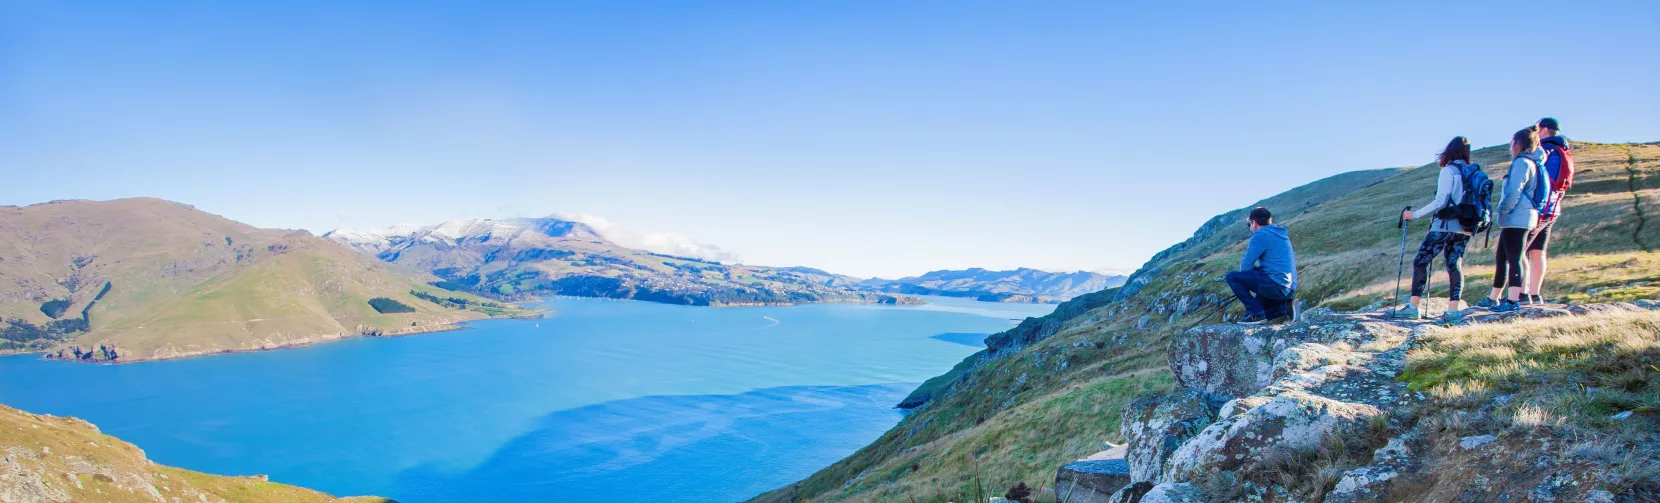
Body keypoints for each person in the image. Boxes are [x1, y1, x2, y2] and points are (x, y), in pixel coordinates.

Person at [1394, 137, 1476, 322]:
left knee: (1421, 261)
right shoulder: (1472, 173)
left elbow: (1441, 201)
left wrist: (1414, 215)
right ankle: (1453, 311)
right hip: (1464, 227)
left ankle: (1413, 307)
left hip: (1444, 226)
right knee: (1455, 265)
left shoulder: (1449, 171)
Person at [1475, 126, 1549, 313]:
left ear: (1520, 144)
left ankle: (1513, 299)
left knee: (1514, 257)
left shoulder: (1522, 163)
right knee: (1502, 257)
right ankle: (1494, 297)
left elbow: (1513, 191)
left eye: (1512, 143)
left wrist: (1503, 209)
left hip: (1517, 217)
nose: (1510, 147)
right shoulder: (1530, 163)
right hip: (1521, 217)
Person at [1525, 117, 1573, 304]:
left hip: (1538, 207)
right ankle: (1535, 293)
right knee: (1539, 251)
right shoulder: (1563, 151)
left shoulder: (1543, 150)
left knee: (1523, 249)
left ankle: (1521, 293)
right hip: (1554, 208)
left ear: (1544, 130)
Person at [1226, 207, 1298, 324]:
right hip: (1288, 288)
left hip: (1276, 286)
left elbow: (1245, 267)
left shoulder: (1260, 235)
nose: (1249, 227)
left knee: (1232, 276)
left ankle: (1256, 313)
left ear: (1254, 223)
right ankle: (1285, 308)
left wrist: (1254, 272)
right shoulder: (1280, 234)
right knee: (1261, 307)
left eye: (1249, 224)